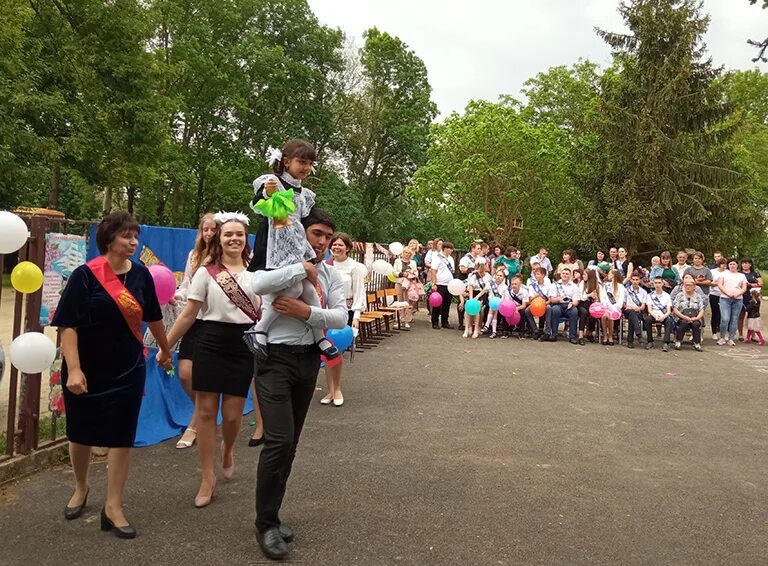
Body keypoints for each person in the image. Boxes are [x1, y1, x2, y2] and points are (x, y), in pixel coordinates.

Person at [53, 211, 170, 539]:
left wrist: (164, 348)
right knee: (80, 433)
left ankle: (113, 506)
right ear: (108, 239)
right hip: (86, 368)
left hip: (128, 367)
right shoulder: (85, 276)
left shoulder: (142, 275)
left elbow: (154, 317)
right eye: (125, 236)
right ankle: (81, 487)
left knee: (122, 435)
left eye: (135, 236)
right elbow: (68, 326)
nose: (133, 242)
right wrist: (74, 369)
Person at [249, 207, 347, 560]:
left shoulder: (333, 276)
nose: (322, 242)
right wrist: (299, 268)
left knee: (290, 445)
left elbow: (340, 315)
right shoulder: (281, 264)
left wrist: (305, 312)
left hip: (308, 360)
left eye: (327, 237)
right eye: (316, 233)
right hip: (273, 359)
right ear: (300, 233)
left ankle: (272, 515)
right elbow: (257, 284)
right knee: (278, 440)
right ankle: (264, 524)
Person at [160, 213, 260, 509]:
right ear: (218, 238)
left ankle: (228, 448)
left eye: (239, 235)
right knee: (205, 412)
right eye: (228, 234)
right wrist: (166, 346)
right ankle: (207, 477)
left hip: (242, 344)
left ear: (245, 240)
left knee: (231, 415)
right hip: (209, 342)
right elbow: (189, 313)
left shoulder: (257, 275)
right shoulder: (206, 272)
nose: (233, 239)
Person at [248, 140, 339, 364]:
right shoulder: (273, 182)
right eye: (301, 162)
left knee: (308, 289)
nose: (306, 167)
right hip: (275, 240)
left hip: (296, 243)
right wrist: (267, 193)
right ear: (286, 161)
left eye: (310, 163)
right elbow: (259, 202)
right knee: (296, 285)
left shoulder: (305, 194)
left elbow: (305, 220)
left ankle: (319, 337)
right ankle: (260, 329)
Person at [174, 213, 216, 450]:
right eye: (205, 229)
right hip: (193, 319)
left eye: (213, 229)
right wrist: (177, 296)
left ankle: (195, 424)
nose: (209, 234)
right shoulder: (194, 255)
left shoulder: (225, 256)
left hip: (213, 320)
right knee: (185, 374)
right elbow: (186, 285)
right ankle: (205, 413)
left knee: (205, 376)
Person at [322, 232, 367, 407]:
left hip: (345, 312)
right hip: (327, 312)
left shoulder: (355, 267)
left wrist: (356, 315)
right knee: (327, 352)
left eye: (340, 245)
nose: (336, 247)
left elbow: (359, 293)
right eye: (334, 244)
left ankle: (338, 388)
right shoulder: (325, 265)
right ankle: (330, 390)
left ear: (347, 248)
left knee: (337, 351)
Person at [717, 258, 748, 346]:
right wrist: (728, 293)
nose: (732, 266)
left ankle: (731, 338)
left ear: (737, 265)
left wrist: (737, 294)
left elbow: (744, 288)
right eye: (730, 264)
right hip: (725, 299)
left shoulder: (741, 276)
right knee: (725, 319)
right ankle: (722, 337)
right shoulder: (723, 274)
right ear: (728, 265)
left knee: (734, 320)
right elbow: (720, 285)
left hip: (738, 300)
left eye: (734, 264)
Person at [671, 273, 706, 351]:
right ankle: (678, 341)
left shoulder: (698, 296)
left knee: (696, 323)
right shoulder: (679, 295)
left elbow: (702, 309)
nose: (688, 287)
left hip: (694, 317)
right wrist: (684, 317)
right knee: (683, 322)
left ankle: (697, 343)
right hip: (681, 317)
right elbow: (675, 309)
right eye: (686, 285)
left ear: (694, 286)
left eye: (690, 285)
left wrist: (696, 318)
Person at [546, 267, 579, 344]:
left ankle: (572, 337)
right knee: (555, 310)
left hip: (569, 305)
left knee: (574, 311)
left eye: (567, 274)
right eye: (563, 273)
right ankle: (554, 335)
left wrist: (573, 303)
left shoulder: (574, 286)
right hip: (558, 304)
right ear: (560, 275)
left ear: (570, 276)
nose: (565, 275)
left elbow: (576, 300)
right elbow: (552, 300)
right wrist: (559, 299)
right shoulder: (555, 285)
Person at [461, 257, 492, 338]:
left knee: (479, 309)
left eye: (483, 266)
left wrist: (477, 297)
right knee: (468, 307)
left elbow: (485, 289)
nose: (481, 268)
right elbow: (470, 286)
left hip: (482, 294)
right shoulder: (473, 275)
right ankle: (467, 328)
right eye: (479, 266)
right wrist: (471, 298)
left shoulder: (488, 276)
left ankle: (477, 328)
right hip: (473, 293)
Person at [430, 242, 455, 329]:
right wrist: (434, 283)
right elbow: (433, 271)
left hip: (449, 284)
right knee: (437, 304)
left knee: (447, 304)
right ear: (445, 248)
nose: (451, 250)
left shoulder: (451, 259)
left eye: (451, 249)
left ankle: (445, 322)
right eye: (449, 249)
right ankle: (435, 322)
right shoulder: (437, 258)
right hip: (440, 284)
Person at [645, 276, 674, 351]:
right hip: (653, 315)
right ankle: (650, 341)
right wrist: (655, 316)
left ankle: (666, 343)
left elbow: (669, 311)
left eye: (659, 283)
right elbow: (649, 310)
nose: (657, 285)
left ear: (662, 284)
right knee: (648, 320)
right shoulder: (649, 296)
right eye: (655, 283)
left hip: (664, 315)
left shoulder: (667, 296)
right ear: (653, 284)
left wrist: (663, 317)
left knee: (669, 321)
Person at [457, 243, 482, 330]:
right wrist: (471, 270)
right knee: (463, 298)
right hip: (466, 277)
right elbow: (462, 269)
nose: (479, 250)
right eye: (478, 248)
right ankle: (461, 322)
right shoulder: (465, 258)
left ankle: (473, 323)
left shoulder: (479, 258)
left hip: (477, 279)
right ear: (473, 248)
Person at [738, 257, 763, 341]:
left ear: (750, 264)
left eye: (747, 263)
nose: (745, 265)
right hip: (741, 296)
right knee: (741, 315)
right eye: (743, 263)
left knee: (752, 316)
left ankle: (753, 335)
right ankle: (740, 334)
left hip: (753, 297)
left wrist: (751, 284)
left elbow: (760, 283)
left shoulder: (755, 273)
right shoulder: (739, 273)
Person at [599, 269, 625, 346]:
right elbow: (602, 297)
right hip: (606, 307)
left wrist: (613, 307)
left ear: (614, 275)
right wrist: (605, 306)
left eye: (610, 274)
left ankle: (610, 336)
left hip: (616, 308)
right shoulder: (606, 285)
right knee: (604, 316)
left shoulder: (621, 287)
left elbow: (621, 299)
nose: (608, 275)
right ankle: (605, 336)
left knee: (610, 316)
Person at [623, 272, 649, 349]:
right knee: (632, 313)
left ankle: (630, 341)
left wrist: (638, 308)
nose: (635, 281)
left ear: (639, 281)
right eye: (633, 279)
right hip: (628, 310)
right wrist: (631, 307)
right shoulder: (626, 290)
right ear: (630, 280)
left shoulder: (643, 292)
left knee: (632, 316)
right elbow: (624, 305)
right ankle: (638, 334)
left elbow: (643, 306)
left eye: (637, 280)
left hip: (639, 311)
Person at [576, 267, 600, 344]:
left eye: (584, 274)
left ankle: (590, 333)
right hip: (582, 303)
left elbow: (601, 297)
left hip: (592, 304)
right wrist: (589, 295)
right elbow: (581, 297)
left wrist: (597, 298)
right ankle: (580, 335)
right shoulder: (582, 283)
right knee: (583, 312)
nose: (583, 276)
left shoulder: (597, 285)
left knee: (593, 315)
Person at [482, 268, 508, 339]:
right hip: (491, 303)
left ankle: (487, 325)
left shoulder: (505, 287)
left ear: (503, 278)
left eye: (501, 276)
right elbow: (484, 291)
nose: (499, 277)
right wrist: (476, 297)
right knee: (494, 308)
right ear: (495, 276)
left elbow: (504, 298)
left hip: (500, 304)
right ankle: (494, 331)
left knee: (494, 306)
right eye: (497, 275)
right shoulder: (490, 284)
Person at [527, 267, 552, 340]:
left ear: (543, 275)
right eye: (535, 274)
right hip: (535, 304)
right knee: (527, 311)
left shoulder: (548, 286)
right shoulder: (533, 285)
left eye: (538, 274)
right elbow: (530, 299)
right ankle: (535, 331)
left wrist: (544, 304)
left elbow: (550, 299)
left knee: (549, 308)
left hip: (545, 304)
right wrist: (536, 296)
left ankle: (547, 332)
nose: (536, 276)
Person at [709, 257, 727, 340]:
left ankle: (724, 332)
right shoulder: (713, 272)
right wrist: (719, 284)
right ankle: (714, 332)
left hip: (725, 295)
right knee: (715, 313)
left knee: (724, 315)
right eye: (723, 264)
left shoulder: (727, 272)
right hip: (714, 294)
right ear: (719, 265)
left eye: (725, 265)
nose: (724, 266)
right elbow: (710, 282)